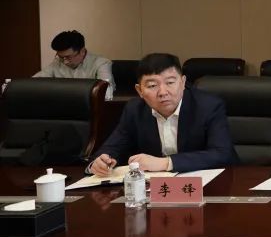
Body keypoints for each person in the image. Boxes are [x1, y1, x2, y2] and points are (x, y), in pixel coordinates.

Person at [88, 53, 237, 175]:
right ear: (139, 90)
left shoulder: (208, 106)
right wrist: (101, 161)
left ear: (183, 82)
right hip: (153, 189)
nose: (163, 92)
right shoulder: (135, 109)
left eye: (170, 83)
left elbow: (222, 154)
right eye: (152, 85)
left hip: (205, 185)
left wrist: (166, 163)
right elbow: (114, 146)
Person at [34, 30, 115, 100]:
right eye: (61, 57)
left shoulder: (101, 63)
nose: (65, 62)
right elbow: (35, 82)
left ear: (82, 51)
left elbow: (106, 92)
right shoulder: (58, 62)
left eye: (68, 57)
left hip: (90, 108)